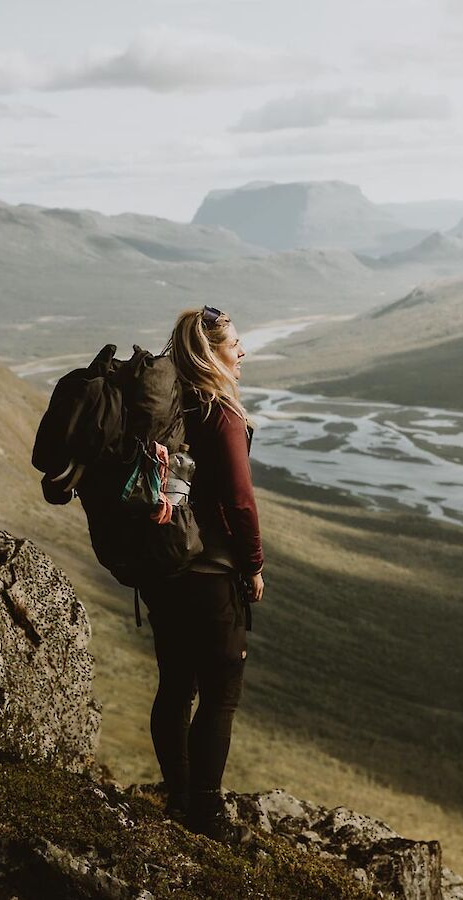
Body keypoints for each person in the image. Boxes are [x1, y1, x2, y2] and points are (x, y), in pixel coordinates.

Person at [139, 304, 265, 838]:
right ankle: (206, 813)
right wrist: (254, 564)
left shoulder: (168, 410)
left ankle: (179, 794)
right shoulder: (222, 414)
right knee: (219, 696)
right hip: (213, 575)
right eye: (234, 344)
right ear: (210, 353)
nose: (242, 352)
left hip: (164, 569)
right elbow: (239, 501)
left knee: (175, 686)